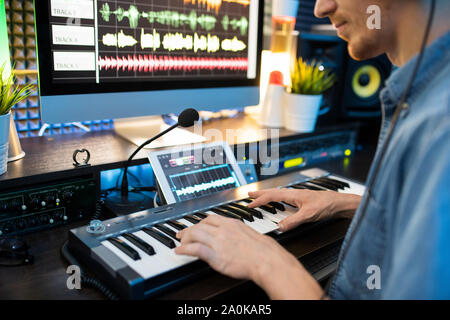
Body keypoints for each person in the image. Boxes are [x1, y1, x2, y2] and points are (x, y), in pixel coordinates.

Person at [175, 0, 450, 299]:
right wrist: (345, 203)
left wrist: (268, 263)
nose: (320, 8)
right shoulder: (425, 100)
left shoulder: (440, 127)